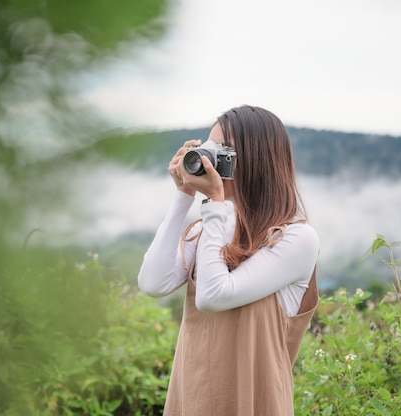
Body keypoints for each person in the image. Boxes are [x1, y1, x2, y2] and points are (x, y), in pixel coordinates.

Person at [137, 105, 320, 416]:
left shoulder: (296, 239)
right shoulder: (210, 228)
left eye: (223, 152)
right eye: (208, 150)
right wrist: (184, 195)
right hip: (193, 401)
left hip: (254, 405)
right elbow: (152, 283)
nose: (209, 162)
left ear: (255, 162)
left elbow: (214, 296)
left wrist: (214, 204)